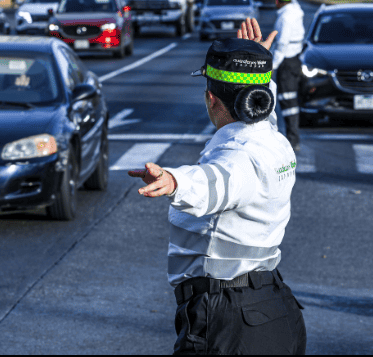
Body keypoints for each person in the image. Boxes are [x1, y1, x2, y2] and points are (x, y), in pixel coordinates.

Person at [128, 18, 306, 355]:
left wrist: (175, 181)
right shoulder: (273, 141)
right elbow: (262, 117)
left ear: (211, 98)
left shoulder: (240, 157)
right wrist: (257, 65)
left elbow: (219, 181)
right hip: (273, 310)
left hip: (228, 322)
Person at [271, 0, 305, 152]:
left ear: (278, 1)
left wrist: (272, 67)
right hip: (295, 60)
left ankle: (293, 140)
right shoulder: (296, 10)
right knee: (291, 101)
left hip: (286, 62)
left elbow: (282, 45)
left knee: (288, 103)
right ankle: (293, 139)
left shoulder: (285, 18)